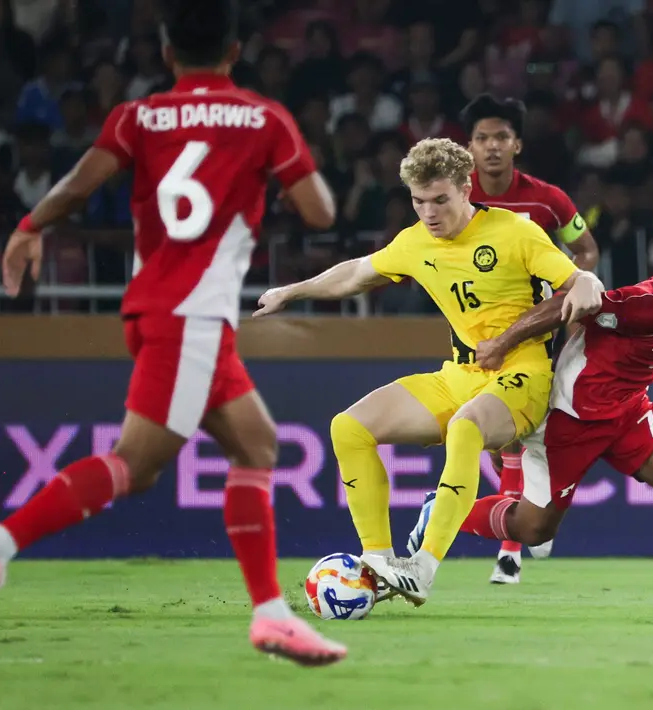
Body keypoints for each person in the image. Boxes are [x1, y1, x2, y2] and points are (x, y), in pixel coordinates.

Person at [0, 0, 349, 666]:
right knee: (133, 467)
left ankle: (271, 616)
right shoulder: (263, 118)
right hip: (191, 314)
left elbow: (80, 185)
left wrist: (29, 229)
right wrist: (261, 174)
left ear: (167, 54)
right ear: (235, 52)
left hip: (162, 310)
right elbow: (318, 211)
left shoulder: (138, 117)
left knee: (256, 444)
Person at [254, 137, 605, 606]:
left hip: (522, 374)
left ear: (465, 188)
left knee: (465, 427)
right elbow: (356, 273)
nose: (430, 213)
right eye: (419, 202)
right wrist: (289, 292)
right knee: (349, 427)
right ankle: (378, 564)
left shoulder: (514, 231)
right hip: (459, 374)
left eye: (440, 200)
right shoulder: (416, 241)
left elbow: (574, 279)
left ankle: (422, 569)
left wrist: (585, 283)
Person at [408, 237, 653, 617]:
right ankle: (442, 511)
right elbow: (574, 304)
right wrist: (503, 345)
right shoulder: (647, 304)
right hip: (570, 417)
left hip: (626, 410)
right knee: (534, 530)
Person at [463, 93, 601, 584]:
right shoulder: (457, 199)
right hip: (477, 334)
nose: (492, 147)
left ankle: (510, 549)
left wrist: (566, 296)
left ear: (517, 143)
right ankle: (532, 522)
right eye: (482, 138)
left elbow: (585, 249)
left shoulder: (548, 199)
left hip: (537, 330)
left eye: (501, 137)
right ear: (470, 147)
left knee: (519, 433)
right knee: (512, 440)